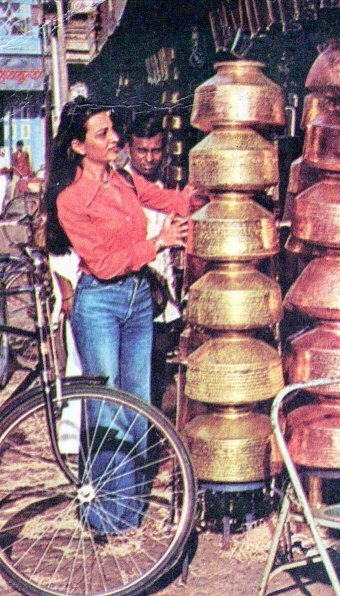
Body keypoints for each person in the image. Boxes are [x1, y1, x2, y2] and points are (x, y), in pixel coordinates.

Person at [45, 97, 191, 534]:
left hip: (137, 301)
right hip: (100, 303)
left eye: (112, 131)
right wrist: (159, 243)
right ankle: (103, 513)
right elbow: (105, 263)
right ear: (77, 145)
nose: (114, 140)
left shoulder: (123, 179)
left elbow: (166, 198)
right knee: (106, 407)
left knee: (138, 404)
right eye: (102, 134)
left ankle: (128, 509)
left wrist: (200, 194)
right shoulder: (71, 199)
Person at [126, 111, 182, 406]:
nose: (149, 158)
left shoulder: (166, 189)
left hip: (163, 305)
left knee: (156, 381)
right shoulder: (121, 187)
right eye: (142, 151)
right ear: (128, 149)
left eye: (156, 150)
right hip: (133, 300)